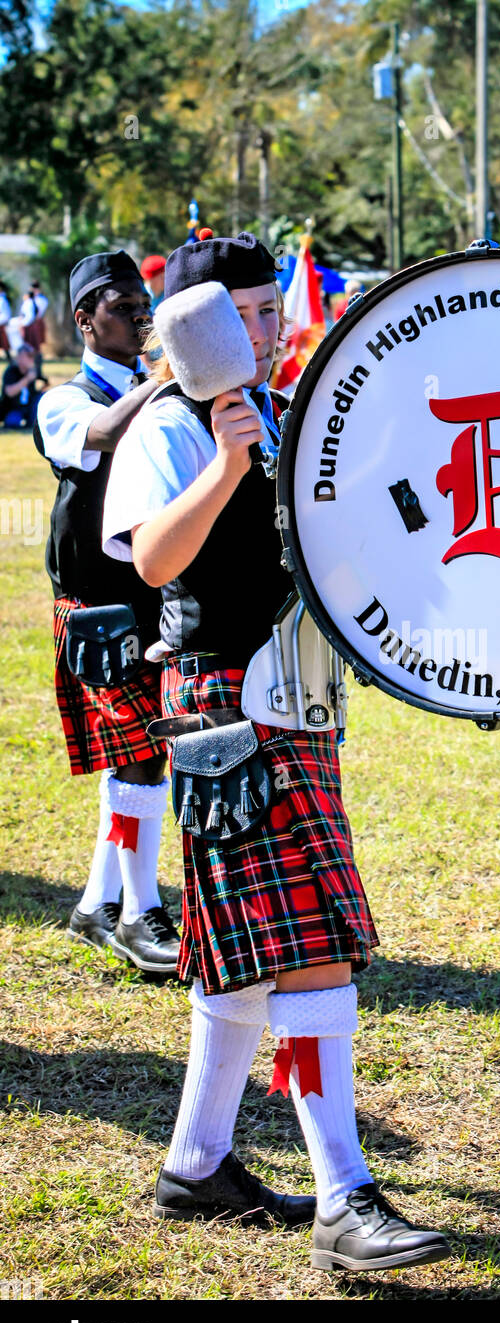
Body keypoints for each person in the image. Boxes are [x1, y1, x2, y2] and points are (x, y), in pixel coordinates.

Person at [103, 232, 451, 1271]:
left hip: (299, 697)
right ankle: (345, 1196)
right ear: (190, 331)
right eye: (243, 313)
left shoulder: (294, 414)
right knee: (306, 938)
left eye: (269, 308)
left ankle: (198, 1163)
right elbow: (157, 558)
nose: (266, 326)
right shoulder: (167, 426)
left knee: (247, 948)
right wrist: (226, 460)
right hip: (224, 699)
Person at [34, 250, 181, 973]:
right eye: (123, 306)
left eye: (145, 302)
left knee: (142, 755)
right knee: (140, 758)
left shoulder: (162, 391)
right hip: (98, 608)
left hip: (158, 596)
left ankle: (98, 903)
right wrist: (165, 380)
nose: (140, 315)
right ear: (84, 320)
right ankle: (137, 911)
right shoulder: (63, 400)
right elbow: (102, 436)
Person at [1, 343, 45, 428]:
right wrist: (27, 379)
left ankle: (33, 421)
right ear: (20, 357)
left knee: (42, 396)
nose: (31, 359)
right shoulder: (11, 371)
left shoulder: (32, 371)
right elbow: (9, 392)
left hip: (29, 408)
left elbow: (41, 387)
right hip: (12, 408)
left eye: (32, 357)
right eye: (28, 356)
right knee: (13, 421)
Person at [0, 280, 12, 362]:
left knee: (4, 344)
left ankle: (10, 360)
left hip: (1, 324)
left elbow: (6, 315)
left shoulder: (2, 300)